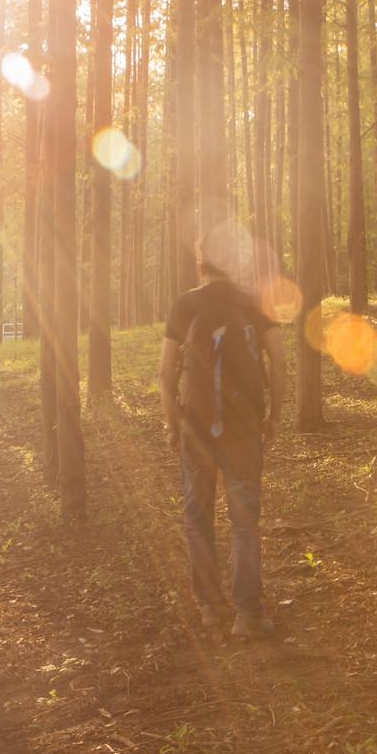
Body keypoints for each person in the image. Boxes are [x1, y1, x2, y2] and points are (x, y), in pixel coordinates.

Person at [159, 239, 289, 641]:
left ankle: (209, 608)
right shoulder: (254, 303)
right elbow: (280, 361)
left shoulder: (184, 306)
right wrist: (273, 417)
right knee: (245, 524)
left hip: (195, 430)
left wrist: (171, 424)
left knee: (198, 519)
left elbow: (165, 374)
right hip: (245, 429)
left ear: (201, 266)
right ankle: (247, 617)